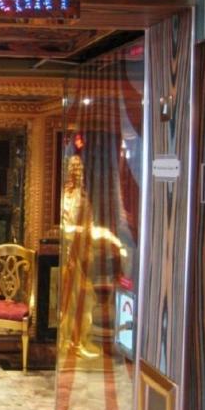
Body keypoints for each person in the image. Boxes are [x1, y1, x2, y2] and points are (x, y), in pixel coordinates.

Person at [59, 154, 125, 359]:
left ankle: (80, 340)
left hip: (85, 255)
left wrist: (112, 239)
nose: (78, 173)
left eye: (81, 169)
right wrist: (82, 232)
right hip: (72, 257)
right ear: (69, 172)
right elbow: (65, 229)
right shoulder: (66, 199)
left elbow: (92, 228)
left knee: (86, 300)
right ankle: (74, 343)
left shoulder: (84, 198)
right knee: (76, 302)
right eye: (75, 169)